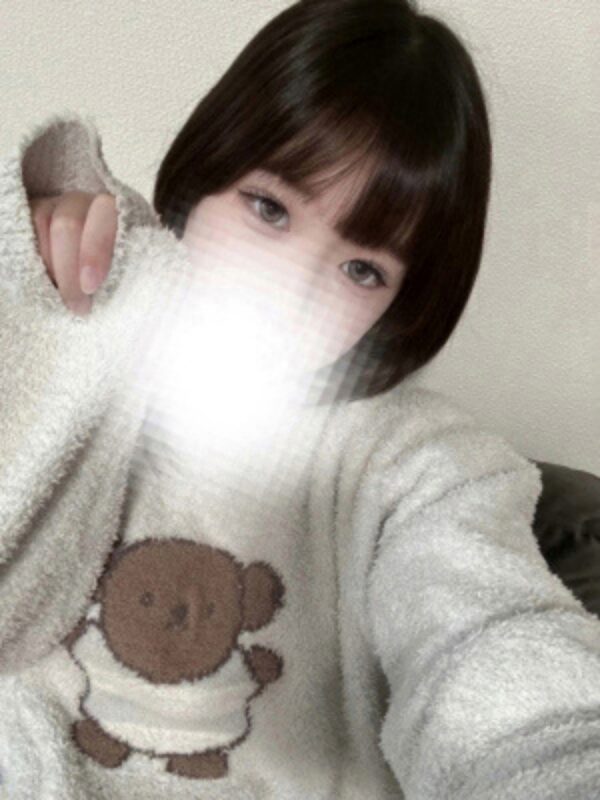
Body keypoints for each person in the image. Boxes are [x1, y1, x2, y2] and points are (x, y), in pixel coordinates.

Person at [2, 1, 600, 798]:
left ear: (405, 305)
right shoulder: (88, 332)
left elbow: (489, 640)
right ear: (202, 181)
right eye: (269, 209)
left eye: (362, 270)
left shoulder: (419, 465)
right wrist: (28, 289)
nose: (290, 292)